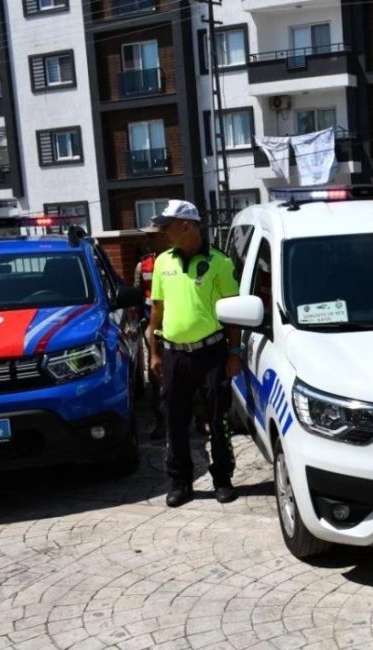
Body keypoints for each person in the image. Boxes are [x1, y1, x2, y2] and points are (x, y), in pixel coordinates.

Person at [146, 200, 242, 507]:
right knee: (174, 419)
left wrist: (234, 352)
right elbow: (157, 309)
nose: (162, 232)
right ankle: (180, 481)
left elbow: (233, 313)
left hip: (211, 352)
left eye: (166, 225)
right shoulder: (162, 262)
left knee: (218, 418)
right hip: (174, 355)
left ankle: (223, 479)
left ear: (185, 225)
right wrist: (154, 352)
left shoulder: (220, 262)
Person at [134, 234, 166, 439]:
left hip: (181, 324)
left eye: (155, 237)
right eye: (150, 237)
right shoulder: (142, 266)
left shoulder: (180, 260)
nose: (151, 241)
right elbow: (138, 296)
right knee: (157, 375)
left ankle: (200, 417)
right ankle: (161, 421)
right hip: (153, 325)